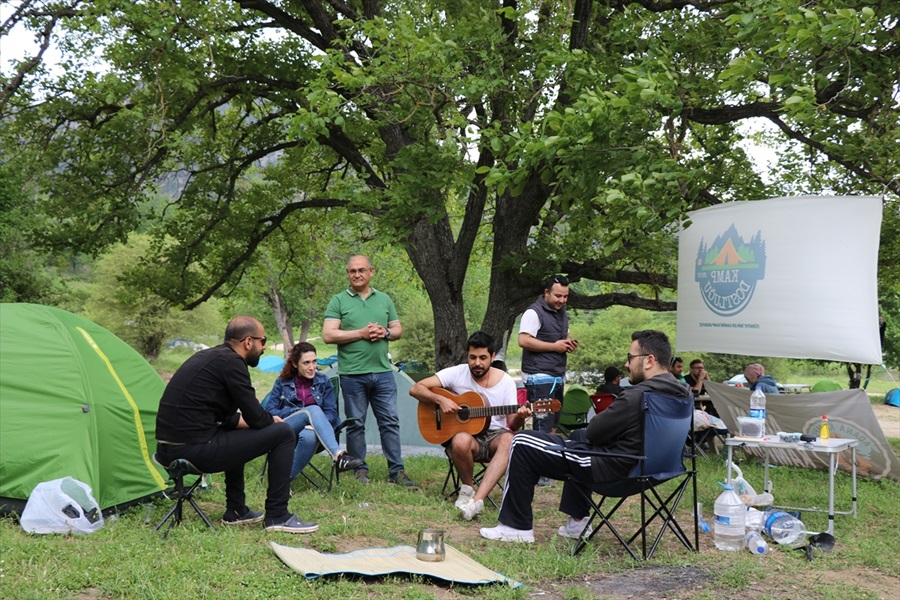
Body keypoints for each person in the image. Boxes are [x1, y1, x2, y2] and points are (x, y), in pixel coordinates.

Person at [480, 330, 690, 543]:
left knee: (522, 441)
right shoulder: (683, 395)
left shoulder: (636, 395)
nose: (627, 365)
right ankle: (578, 522)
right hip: (652, 471)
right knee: (578, 437)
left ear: (649, 361)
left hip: (613, 470)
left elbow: (595, 430)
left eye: (630, 358)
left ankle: (515, 527)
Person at [155, 316, 317, 533]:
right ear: (248, 342)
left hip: (168, 450)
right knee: (284, 433)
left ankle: (236, 510)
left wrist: (265, 421)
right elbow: (256, 417)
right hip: (192, 450)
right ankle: (278, 515)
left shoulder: (211, 357)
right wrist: (272, 423)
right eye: (263, 341)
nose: (265, 347)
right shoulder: (232, 362)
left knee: (238, 429)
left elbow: (228, 417)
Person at [410, 331, 531, 521]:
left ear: (492, 357)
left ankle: (476, 501)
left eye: (483, 358)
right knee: (460, 439)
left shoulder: (505, 382)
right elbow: (415, 388)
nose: (477, 363)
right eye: (472, 357)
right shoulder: (456, 373)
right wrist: (440, 399)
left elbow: (512, 422)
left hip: (494, 437)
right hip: (466, 438)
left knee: (509, 438)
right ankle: (466, 489)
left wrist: (521, 417)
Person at [322, 255, 417, 488]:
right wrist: (361, 333)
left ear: (371, 271)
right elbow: (328, 335)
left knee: (390, 422)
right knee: (356, 423)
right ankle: (360, 470)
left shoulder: (384, 299)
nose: (357, 274)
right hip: (352, 373)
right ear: (347, 273)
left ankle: (396, 471)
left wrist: (384, 332)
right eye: (352, 271)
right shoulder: (338, 301)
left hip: (384, 372)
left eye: (361, 270)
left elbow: (397, 329)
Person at [264, 342, 364, 481]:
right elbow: (269, 411)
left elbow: (331, 414)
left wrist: (315, 424)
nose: (312, 367)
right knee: (312, 410)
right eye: (306, 363)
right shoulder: (282, 382)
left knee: (309, 435)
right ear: (294, 364)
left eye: (314, 361)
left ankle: (283, 481)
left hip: (314, 432)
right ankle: (338, 455)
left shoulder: (324, 381)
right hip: (287, 429)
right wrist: (300, 413)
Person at [518, 274, 578, 436]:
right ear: (546, 292)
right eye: (558, 296)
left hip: (557, 375)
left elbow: (563, 337)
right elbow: (523, 340)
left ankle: (548, 459)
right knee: (541, 428)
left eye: (565, 297)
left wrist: (568, 343)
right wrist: (554, 346)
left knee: (552, 427)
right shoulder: (533, 312)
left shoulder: (561, 312)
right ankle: (537, 459)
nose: (562, 300)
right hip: (538, 376)